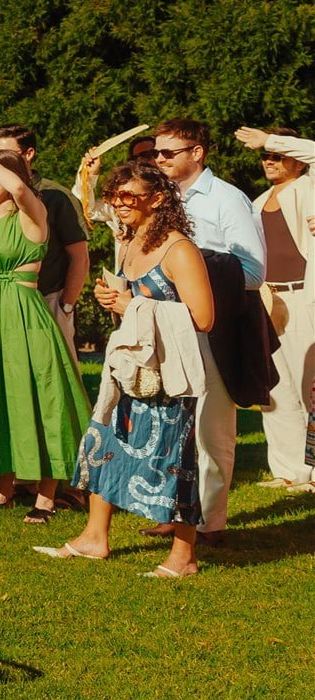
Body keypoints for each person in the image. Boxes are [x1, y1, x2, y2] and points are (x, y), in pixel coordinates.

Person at [41, 161, 213, 577]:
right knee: (105, 442)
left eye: (127, 196)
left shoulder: (179, 250)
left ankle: (184, 556)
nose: (118, 204)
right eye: (113, 196)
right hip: (131, 367)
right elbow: (136, 303)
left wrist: (133, 306)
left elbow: (204, 317)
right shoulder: (131, 241)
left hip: (168, 373)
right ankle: (93, 537)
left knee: (174, 458)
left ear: (157, 199)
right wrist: (113, 299)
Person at [0, 153, 89, 524]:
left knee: (40, 397)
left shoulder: (32, 213)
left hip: (24, 314)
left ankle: (46, 497)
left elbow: (17, 188)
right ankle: (2, 491)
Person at [150, 118, 261, 540]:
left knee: (212, 429)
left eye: (168, 152)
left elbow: (254, 273)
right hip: (167, 322)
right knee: (170, 425)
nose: (159, 159)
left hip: (214, 325)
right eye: (156, 152)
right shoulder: (161, 198)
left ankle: (210, 522)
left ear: (197, 153)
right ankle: (174, 512)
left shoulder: (226, 199)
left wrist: (191, 270)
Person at [234, 125, 315, 487]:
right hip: (268, 299)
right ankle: (288, 471)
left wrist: (268, 139)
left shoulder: (309, 187)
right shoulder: (256, 201)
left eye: (277, 155)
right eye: (265, 156)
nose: (269, 160)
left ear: (296, 158)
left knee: (310, 386)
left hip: (305, 297)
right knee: (275, 388)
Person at [0, 125, 89, 353]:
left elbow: (80, 257)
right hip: (4, 302)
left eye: (7, 155)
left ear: (29, 154)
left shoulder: (56, 196)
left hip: (47, 300)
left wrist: (65, 306)